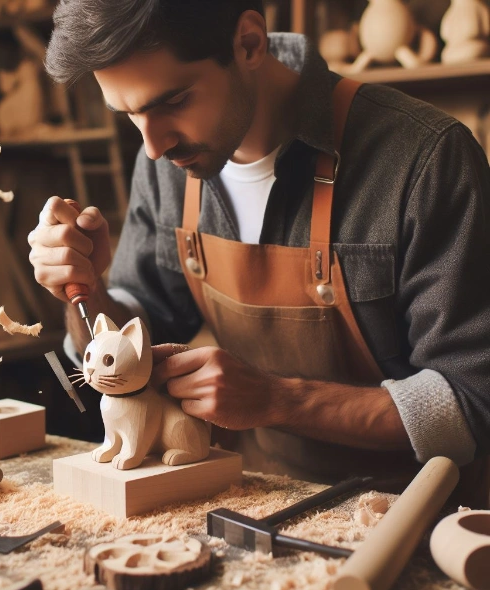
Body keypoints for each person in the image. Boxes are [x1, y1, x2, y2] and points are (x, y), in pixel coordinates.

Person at [28, 0, 490, 502]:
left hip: (415, 515)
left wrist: (276, 400)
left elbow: (473, 405)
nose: (154, 147)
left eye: (173, 101)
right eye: (129, 114)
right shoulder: (167, 159)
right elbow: (141, 350)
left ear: (248, 43)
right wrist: (85, 289)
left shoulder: (425, 159)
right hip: (256, 496)